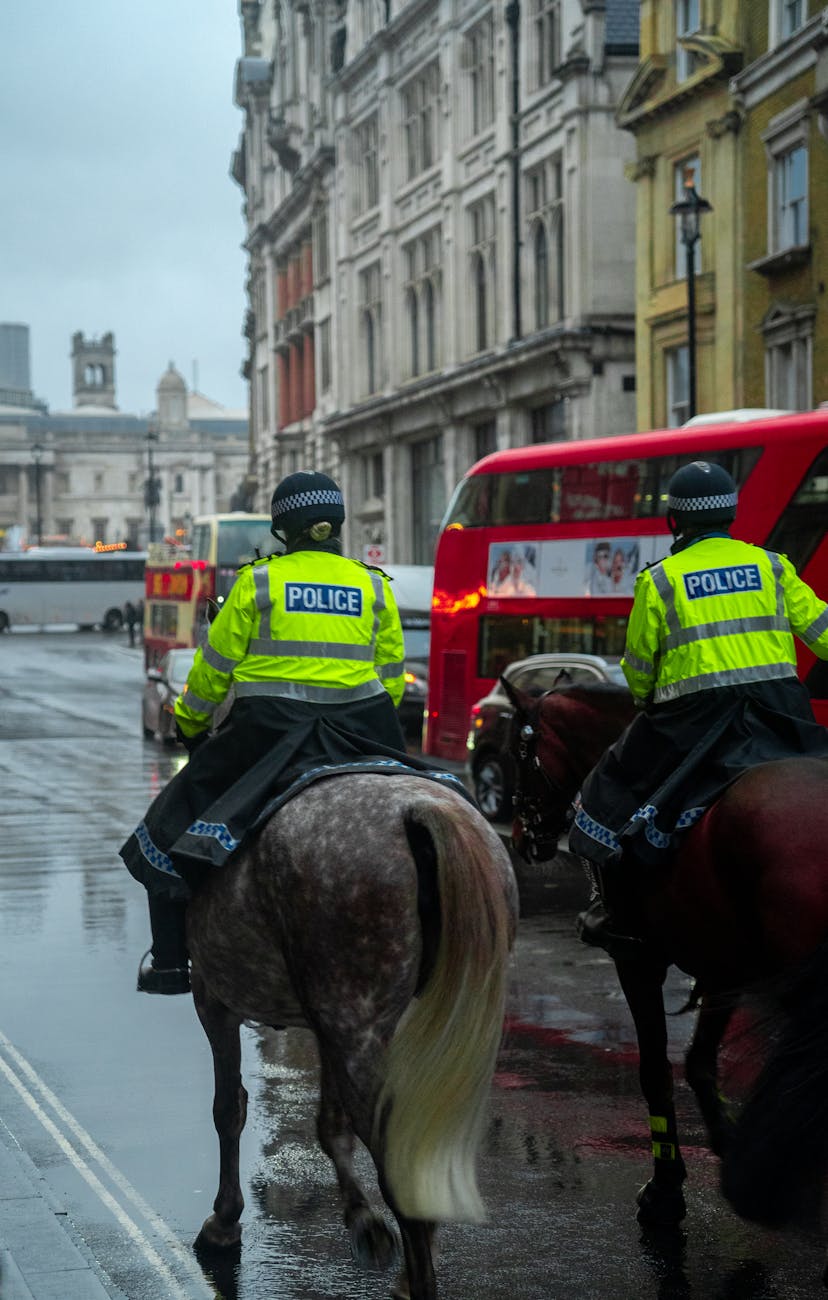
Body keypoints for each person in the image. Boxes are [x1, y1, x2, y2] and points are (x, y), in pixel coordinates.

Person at [120, 471, 408, 994]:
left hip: (269, 736)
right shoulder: (374, 585)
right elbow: (391, 682)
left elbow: (212, 673)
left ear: (283, 530)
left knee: (163, 828)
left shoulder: (257, 583)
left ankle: (168, 964)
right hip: (366, 732)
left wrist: (189, 723)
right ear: (337, 525)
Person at [569, 460, 828, 951]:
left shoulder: (660, 581)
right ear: (731, 513)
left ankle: (613, 908)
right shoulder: (771, 566)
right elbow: (823, 634)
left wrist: (646, 701)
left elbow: (640, 665)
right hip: (781, 715)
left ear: (676, 520)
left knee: (609, 788)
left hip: (694, 722)